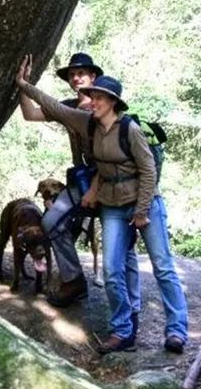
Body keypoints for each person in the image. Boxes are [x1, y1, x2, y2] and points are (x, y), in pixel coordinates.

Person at [15, 55, 189, 354]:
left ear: (112, 102)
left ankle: (175, 330)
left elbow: (148, 171)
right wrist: (23, 84)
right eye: (91, 96)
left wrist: (142, 211)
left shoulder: (129, 129)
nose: (91, 100)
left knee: (162, 267)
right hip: (111, 202)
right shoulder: (86, 122)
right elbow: (50, 106)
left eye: (97, 97)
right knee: (111, 269)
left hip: (143, 203)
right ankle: (123, 330)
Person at [19, 53, 141, 327]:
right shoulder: (68, 107)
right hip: (81, 179)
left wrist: (95, 190)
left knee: (122, 242)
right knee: (51, 221)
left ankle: (133, 305)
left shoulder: (106, 109)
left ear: (93, 77)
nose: (76, 78)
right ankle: (73, 280)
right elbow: (30, 114)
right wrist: (22, 86)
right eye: (72, 75)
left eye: (82, 73)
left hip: (111, 182)